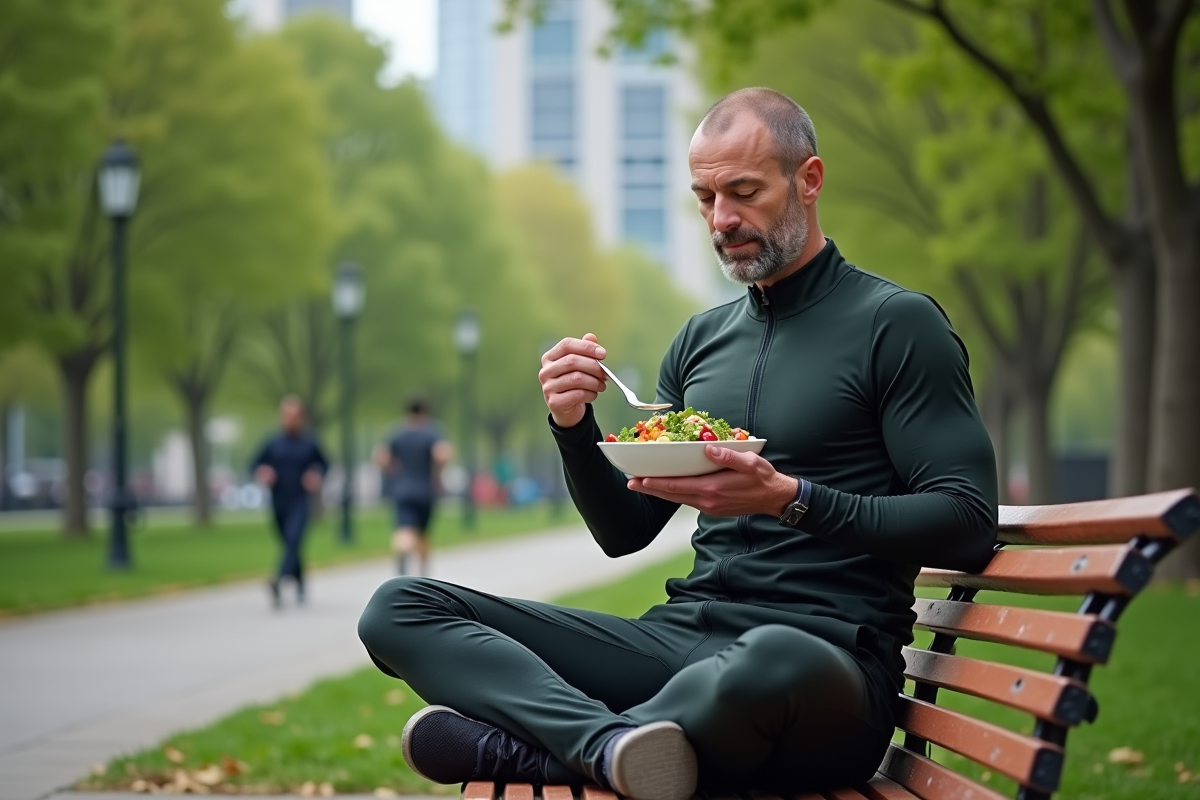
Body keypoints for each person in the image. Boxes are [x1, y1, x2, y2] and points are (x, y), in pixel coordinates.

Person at [357, 88, 998, 799]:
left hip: (823, 667)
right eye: (705, 198)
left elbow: (968, 523)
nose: (722, 219)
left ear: (809, 180)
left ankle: (541, 751)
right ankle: (609, 747)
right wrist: (574, 427)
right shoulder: (700, 341)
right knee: (400, 606)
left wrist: (790, 500)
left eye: (744, 192)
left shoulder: (897, 324)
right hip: (680, 643)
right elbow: (625, 532)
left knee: (770, 656)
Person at [251, 396, 328, 607]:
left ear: (301, 418)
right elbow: (254, 464)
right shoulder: (272, 443)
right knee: (289, 544)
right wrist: (263, 472)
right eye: (287, 415)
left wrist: (316, 475)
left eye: (295, 416)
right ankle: (300, 581)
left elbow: (324, 465)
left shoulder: (310, 442)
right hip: (278, 501)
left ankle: (278, 579)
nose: (291, 419)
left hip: (300, 501)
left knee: (293, 539)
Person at [374, 396, 453, 576]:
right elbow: (443, 454)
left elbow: (380, 457)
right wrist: (438, 473)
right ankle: (423, 573)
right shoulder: (432, 432)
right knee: (423, 533)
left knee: (403, 527)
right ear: (425, 411)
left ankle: (402, 550)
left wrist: (392, 471)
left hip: (401, 489)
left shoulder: (397, 432)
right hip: (425, 489)